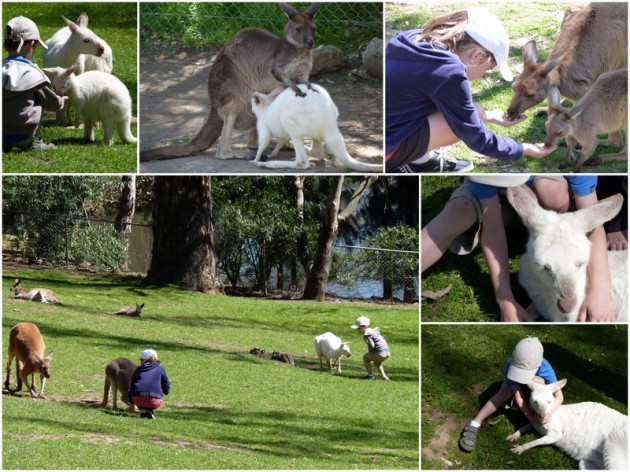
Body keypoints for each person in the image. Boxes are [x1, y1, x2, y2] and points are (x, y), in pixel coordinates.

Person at [386, 7, 556, 173]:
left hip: (388, 128)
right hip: (387, 151)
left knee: (477, 111)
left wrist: (488, 115)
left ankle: (419, 159)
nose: (482, 76)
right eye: (487, 69)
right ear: (477, 55)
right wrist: (522, 148)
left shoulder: (414, 37)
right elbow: (475, 137)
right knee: (461, 125)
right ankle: (416, 162)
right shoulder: (449, 70)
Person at [422, 175, 614, 322]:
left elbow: (594, 226)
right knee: (459, 212)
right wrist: (505, 299)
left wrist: (600, 292)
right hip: (495, 201)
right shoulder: (484, 172)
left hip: (539, 202)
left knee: (552, 192)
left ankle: (553, 233)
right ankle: (398, 275)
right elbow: (494, 231)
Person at [458, 337, 563, 453]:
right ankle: (474, 423)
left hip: (534, 387)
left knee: (541, 383)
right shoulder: (511, 364)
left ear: (539, 364)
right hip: (517, 386)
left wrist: (548, 413)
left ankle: (534, 407)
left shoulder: (545, 368)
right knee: (505, 391)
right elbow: (519, 396)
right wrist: (530, 416)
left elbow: (559, 397)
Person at [3, 16, 66, 152]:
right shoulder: (35, 75)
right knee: (38, 96)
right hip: (23, 136)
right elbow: (53, 105)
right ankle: (32, 141)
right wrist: (61, 97)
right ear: (32, 44)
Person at [129, 349, 171, 419]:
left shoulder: (138, 370)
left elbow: (131, 387)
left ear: (144, 360)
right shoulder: (160, 369)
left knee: (142, 396)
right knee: (154, 395)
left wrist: (132, 402)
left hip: (137, 399)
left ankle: (143, 411)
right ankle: (148, 411)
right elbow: (166, 385)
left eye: (141, 360)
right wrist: (166, 391)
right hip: (154, 400)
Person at [350, 316, 390, 380]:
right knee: (377, 363)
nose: (357, 330)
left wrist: (370, 351)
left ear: (365, 326)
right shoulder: (374, 332)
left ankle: (370, 375)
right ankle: (384, 376)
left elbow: (371, 345)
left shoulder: (367, 335)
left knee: (365, 358)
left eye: (359, 328)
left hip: (380, 352)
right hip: (387, 352)